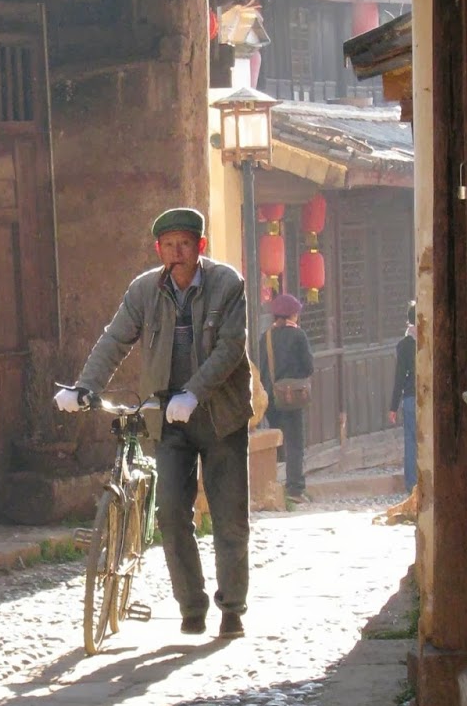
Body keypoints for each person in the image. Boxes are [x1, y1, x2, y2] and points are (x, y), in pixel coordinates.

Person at [54, 207, 252, 639]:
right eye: (169, 246)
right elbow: (115, 339)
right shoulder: (144, 290)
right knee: (170, 513)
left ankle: (232, 608)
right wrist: (85, 387)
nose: (177, 253)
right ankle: (192, 605)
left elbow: (231, 348)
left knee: (229, 517)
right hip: (168, 418)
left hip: (221, 416)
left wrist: (194, 392)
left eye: (185, 245)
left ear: (200, 247)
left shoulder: (227, 284)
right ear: (158, 250)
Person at [258, 291, 314, 505]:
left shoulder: (266, 337)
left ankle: (271, 486)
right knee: (295, 443)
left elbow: (263, 368)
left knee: (276, 442)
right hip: (292, 397)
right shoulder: (298, 336)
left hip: (271, 397)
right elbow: (308, 367)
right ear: (292, 315)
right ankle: (294, 489)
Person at [390, 302, 417, 501]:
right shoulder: (432, 339)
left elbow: (399, 377)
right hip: (428, 397)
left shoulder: (404, 345)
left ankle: (412, 484)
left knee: (411, 441)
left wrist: (393, 407)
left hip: (410, 398)